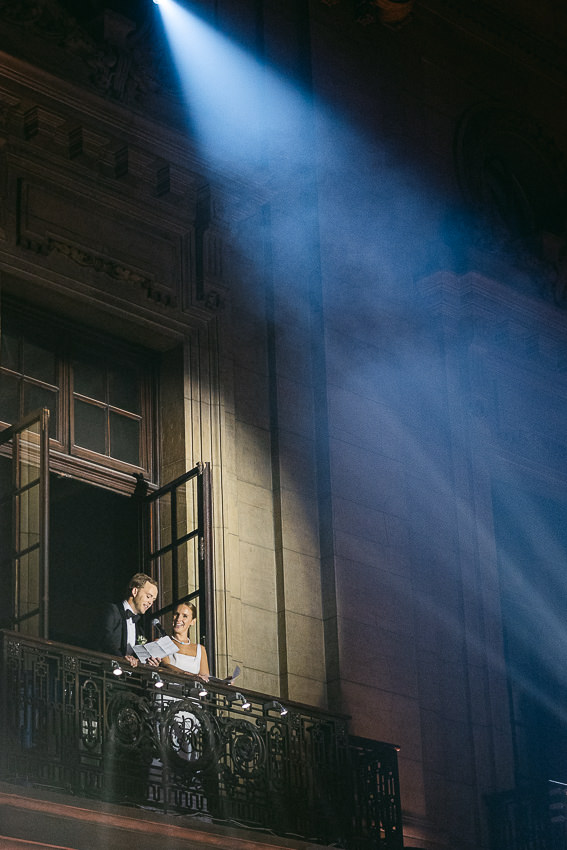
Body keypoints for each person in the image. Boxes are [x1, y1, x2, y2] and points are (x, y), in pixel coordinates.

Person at [99, 572, 159, 668]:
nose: (150, 602)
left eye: (153, 600)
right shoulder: (112, 611)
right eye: (148, 596)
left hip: (126, 679)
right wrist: (122, 658)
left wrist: (150, 659)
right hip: (106, 674)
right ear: (135, 591)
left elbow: (141, 648)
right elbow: (105, 640)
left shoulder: (139, 628)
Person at [160, 602, 209, 680]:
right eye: (176, 614)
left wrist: (222, 682)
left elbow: (206, 678)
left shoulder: (200, 649)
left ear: (193, 621)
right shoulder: (162, 642)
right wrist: (186, 674)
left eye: (185, 616)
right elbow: (165, 665)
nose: (178, 619)